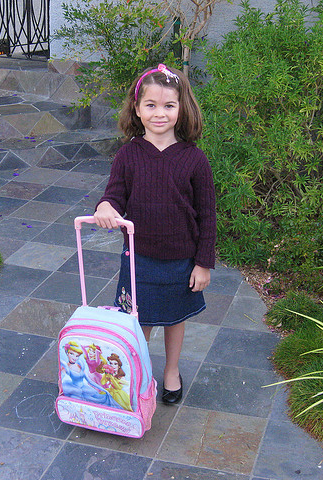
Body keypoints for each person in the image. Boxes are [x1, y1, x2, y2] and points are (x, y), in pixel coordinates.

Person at [94, 63, 216, 405]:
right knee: (138, 320)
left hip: (181, 259)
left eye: (168, 106)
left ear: (182, 109)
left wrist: (203, 263)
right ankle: (137, 372)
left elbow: (207, 215)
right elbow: (115, 194)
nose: (159, 113)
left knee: (175, 318)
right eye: (151, 105)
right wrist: (106, 206)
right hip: (139, 257)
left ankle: (172, 371)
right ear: (137, 108)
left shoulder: (194, 160)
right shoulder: (129, 155)